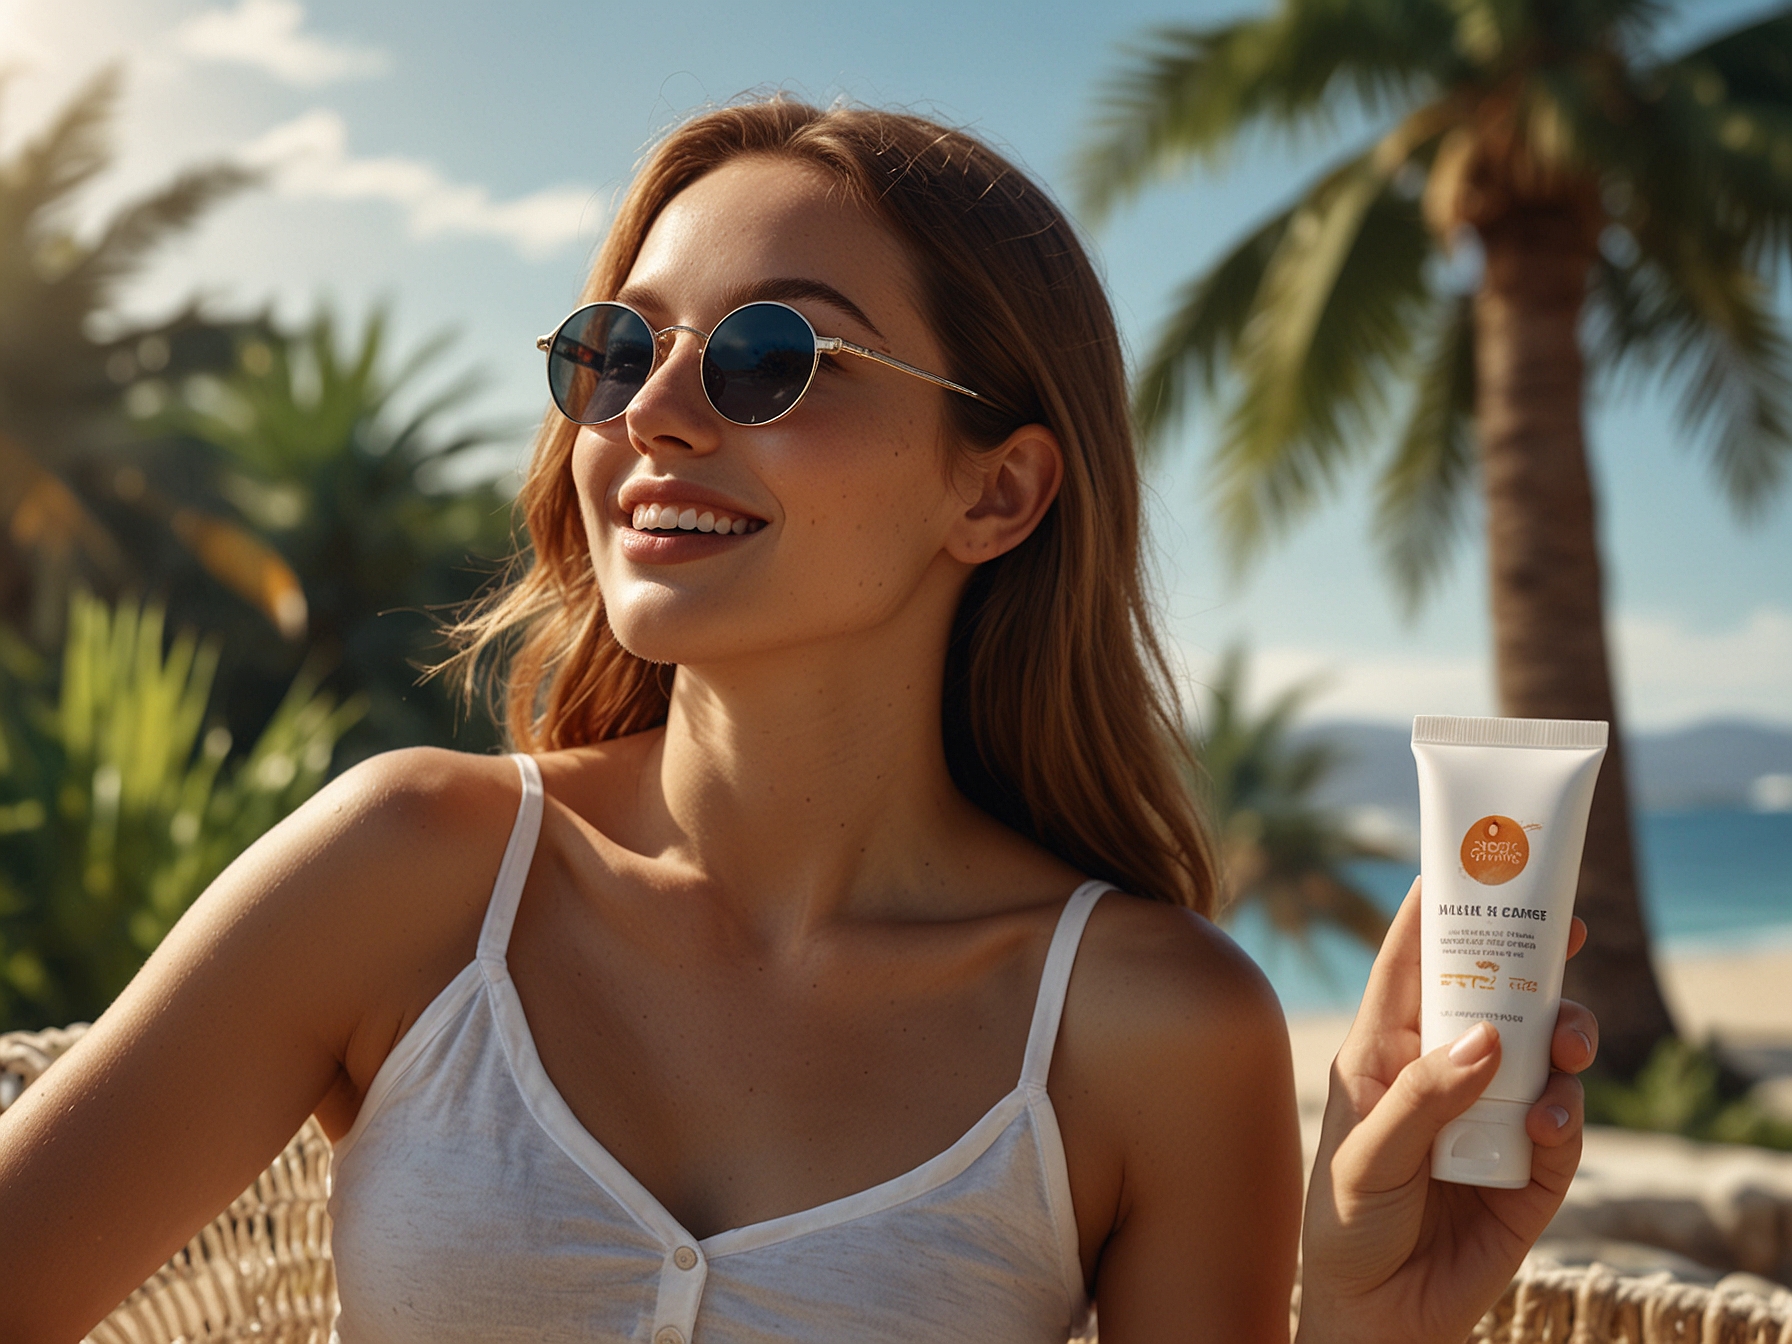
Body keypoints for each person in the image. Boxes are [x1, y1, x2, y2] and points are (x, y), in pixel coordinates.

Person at [0, 99, 1599, 1343]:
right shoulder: (409, 872)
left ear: (999, 489)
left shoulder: (1151, 1030)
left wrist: (1376, 1327)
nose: (653, 415)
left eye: (774, 358)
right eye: (615, 350)